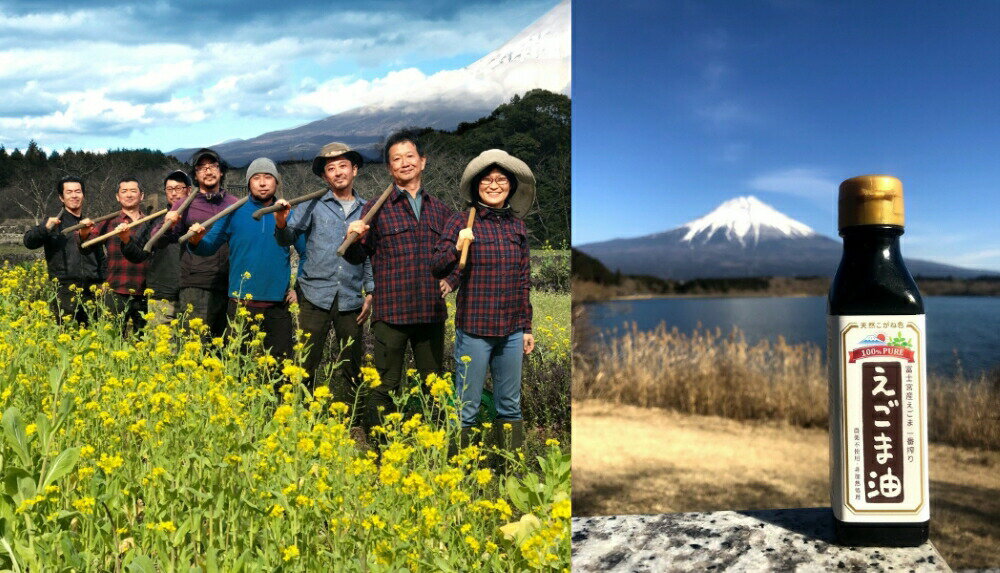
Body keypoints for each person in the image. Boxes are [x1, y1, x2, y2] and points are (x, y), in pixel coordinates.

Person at [344, 130, 457, 431]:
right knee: (384, 385)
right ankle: (380, 453)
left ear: (423, 162)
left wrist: (452, 280)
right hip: (391, 313)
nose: (404, 163)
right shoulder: (374, 210)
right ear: (389, 168)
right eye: (397, 159)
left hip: (430, 313)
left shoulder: (441, 211)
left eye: (410, 156)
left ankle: (436, 447)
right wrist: (352, 238)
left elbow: (459, 254)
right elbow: (356, 258)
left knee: (436, 387)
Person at [432, 149, 536, 455]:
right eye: (487, 179)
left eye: (501, 179)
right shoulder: (462, 220)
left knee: (510, 404)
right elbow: (437, 265)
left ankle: (509, 469)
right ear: (477, 185)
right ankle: (461, 470)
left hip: (512, 331)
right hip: (475, 330)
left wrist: (526, 327)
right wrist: (456, 245)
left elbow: (523, 280)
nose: (494, 185)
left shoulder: (517, 227)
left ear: (510, 186)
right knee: (467, 405)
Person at [273, 143, 373, 430]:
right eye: (331, 168)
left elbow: (368, 254)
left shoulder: (367, 209)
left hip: (351, 297)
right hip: (314, 295)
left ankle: (356, 424)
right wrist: (281, 220)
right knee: (305, 361)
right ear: (324, 177)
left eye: (343, 166)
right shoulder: (312, 204)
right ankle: (299, 420)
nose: (338, 172)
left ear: (354, 170)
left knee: (353, 364)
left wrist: (370, 291)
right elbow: (287, 238)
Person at [186, 158, 303, 359]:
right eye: (257, 178)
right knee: (238, 366)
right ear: (249, 182)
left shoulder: (288, 212)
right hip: (241, 303)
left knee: (280, 369)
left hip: (278, 304)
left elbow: (307, 253)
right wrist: (196, 240)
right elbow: (208, 247)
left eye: (268, 177)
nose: (263, 183)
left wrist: (298, 287)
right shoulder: (233, 211)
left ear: (276, 181)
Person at [155, 148, 238, 336]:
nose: (208, 171)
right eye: (202, 168)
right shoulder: (184, 204)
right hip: (195, 284)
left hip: (229, 285)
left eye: (212, 166)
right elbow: (159, 241)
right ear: (196, 175)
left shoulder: (234, 204)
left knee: (224, 347)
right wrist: (168, 225)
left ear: (221, 171)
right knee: (194, 343)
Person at [23, 176, 106, 324]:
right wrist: (45, 228)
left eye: (78, 191)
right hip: (65, 289)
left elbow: (100, 256)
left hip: (91, 290)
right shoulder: (53, 223)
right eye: (69, 192)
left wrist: (103, 281)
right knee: (67, 335)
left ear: (83, 195)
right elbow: (29, 242)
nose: (74, 195)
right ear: (61, 197)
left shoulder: (89, 223)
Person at [119, 170, 192, 327]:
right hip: (162, 293)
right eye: (169, 189)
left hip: (193, 292)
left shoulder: (197, 218)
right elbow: (138, 254)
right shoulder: (154, 219)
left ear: (189, 190)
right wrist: (126, 240)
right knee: (161, 346)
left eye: (179, 188)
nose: (174, 193)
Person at [81, 177, 149, 333]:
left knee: (144, 342)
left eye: (133, 191)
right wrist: (83, 234)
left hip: (145, 291)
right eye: (124, 191)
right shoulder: (108, 222)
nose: (129, 195)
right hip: (115, 290)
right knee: (112, 338)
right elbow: (87, 247)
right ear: (118, 197)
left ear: (142, 196)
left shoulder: (151, 222)